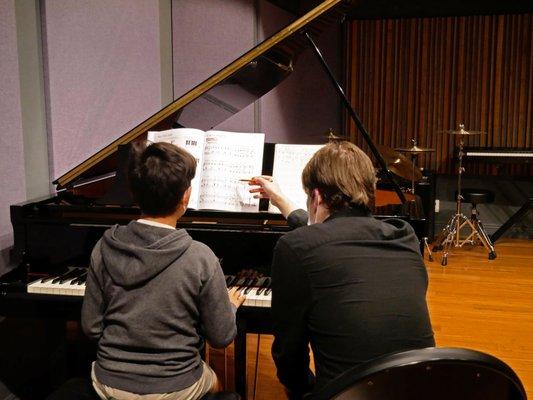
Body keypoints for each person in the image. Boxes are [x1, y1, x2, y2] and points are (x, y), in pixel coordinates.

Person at [250, 141, 435, 398]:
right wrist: (281, 200)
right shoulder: (404, 237)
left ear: (315, 197)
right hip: (420, 389)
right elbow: (326, 230)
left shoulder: (296, 247)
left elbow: (289, 357)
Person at [81, 141, 245, 400]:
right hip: (176, 386)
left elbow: (90, 328)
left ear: (134, 194)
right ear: (185, 197)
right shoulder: (199, 256)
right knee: (216, 382)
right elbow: (221, 337)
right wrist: (230, 306)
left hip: (109, 384)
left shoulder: (103, 247)